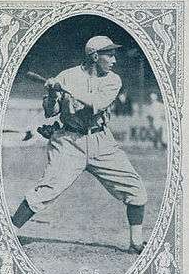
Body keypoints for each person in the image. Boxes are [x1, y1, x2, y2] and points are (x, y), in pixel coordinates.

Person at [11, 36, 147, 254]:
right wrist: (53, 94)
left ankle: (136, 243)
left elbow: (98, 104)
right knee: (46, 191)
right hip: (68, 142)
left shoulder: (113, 80)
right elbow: (50, 111)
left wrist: (65, 88)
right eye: (109, 54)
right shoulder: (68, 76)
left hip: (101, 141)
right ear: (94, 56)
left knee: (135, 189)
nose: (114, 60)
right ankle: (9, 233)